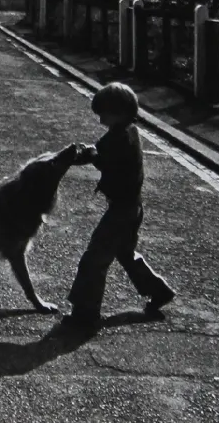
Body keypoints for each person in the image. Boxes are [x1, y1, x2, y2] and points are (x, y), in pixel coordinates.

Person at [64, 81, 175, 326]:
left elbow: (103, 159)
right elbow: (103, 153)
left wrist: (82, 157)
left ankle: (85, 312)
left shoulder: (118, 138)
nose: (100, 118)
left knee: (95, 258)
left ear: (120, 112)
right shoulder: (129, 131)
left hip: (121, 210)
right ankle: (158, 291)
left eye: (104, 113)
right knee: (125, 253)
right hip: (133, 207)